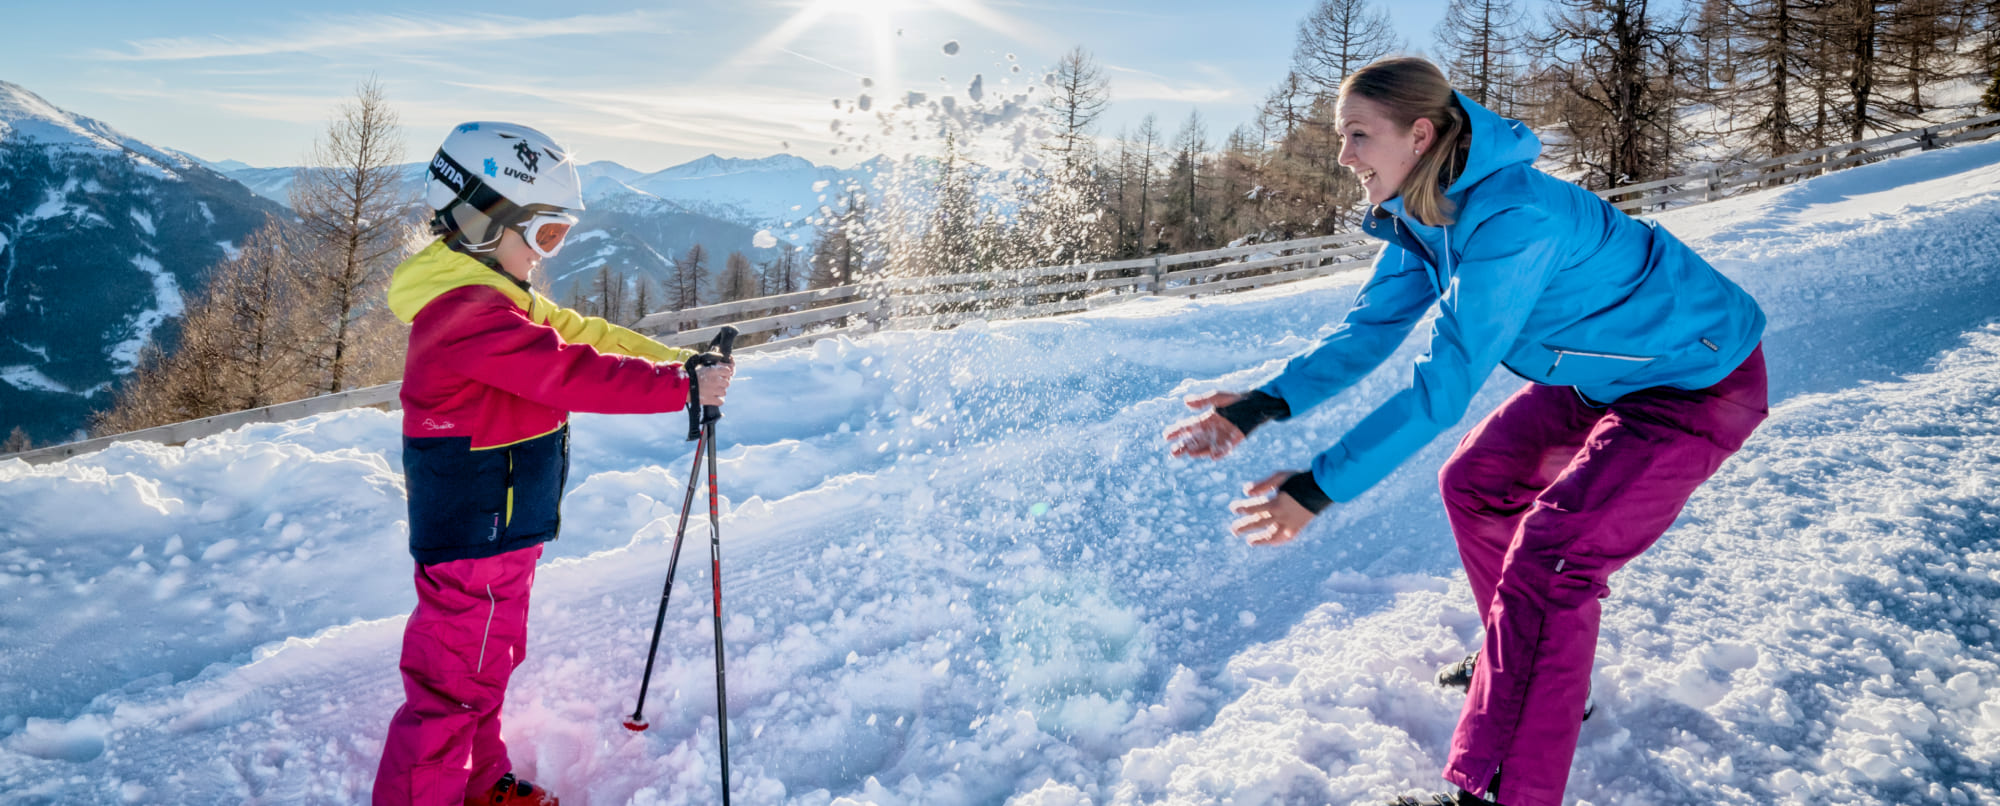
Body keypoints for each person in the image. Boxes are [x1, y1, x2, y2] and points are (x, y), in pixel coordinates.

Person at [1163, 57, 1768, 806]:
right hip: (1605, 376)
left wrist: (1318, 487)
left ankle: (1499, 792)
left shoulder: (1516, 218)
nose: (1344, 156)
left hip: (1695, 382)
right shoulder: (1428, 206)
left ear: (1419, 134)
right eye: (1340, 137)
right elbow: (1370, 331)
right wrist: (1260, 405)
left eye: (1358, 135)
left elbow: (1443, 385)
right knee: (1477, 482)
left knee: (1553, 556)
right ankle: (1536, 677)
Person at [374, 122, 734, 806]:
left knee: (485, 670)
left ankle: (479, 784)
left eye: (560, 236)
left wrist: (678, 363)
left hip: (501, 531)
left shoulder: (500, 300)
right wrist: (678, 389)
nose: (548, 256)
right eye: (544, 236)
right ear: (481, 222)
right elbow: (568, 371)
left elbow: (588, 336)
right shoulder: (464, 315)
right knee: (451, 692)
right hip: (473, 536)